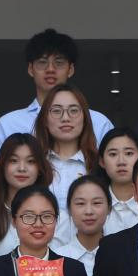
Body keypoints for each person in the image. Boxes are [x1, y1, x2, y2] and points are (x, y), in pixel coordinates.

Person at [0, 29, 113, 154]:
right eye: (42, 62)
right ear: (30, 69)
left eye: (59, 63)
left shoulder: (99, 122)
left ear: (70, 69)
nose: (50, 69)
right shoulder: (8, 124)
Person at [34, 82, 99, 243]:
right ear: (44, 119)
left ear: (85, 117)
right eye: (57, 111)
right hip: (40, 254)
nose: (65, 118)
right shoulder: (33, 164)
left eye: (74, 110)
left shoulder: (98, 164)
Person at [0, 134, 53, 255]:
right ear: (2, 166)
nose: (22, 168)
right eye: (13, 160)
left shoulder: (59, 219)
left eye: (30, 161)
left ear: (39, 168)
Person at [56, 174, 108, 276]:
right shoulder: (57, 259)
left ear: (109, 207)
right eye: (80, 203)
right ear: (69, 209)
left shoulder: (121, 257)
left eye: (96, 203)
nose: (89, 211)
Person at [97, 126, 138, 235]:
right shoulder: (91, 206)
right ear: (102, 161)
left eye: (129, 153)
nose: (121, 162)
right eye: (113, 154)